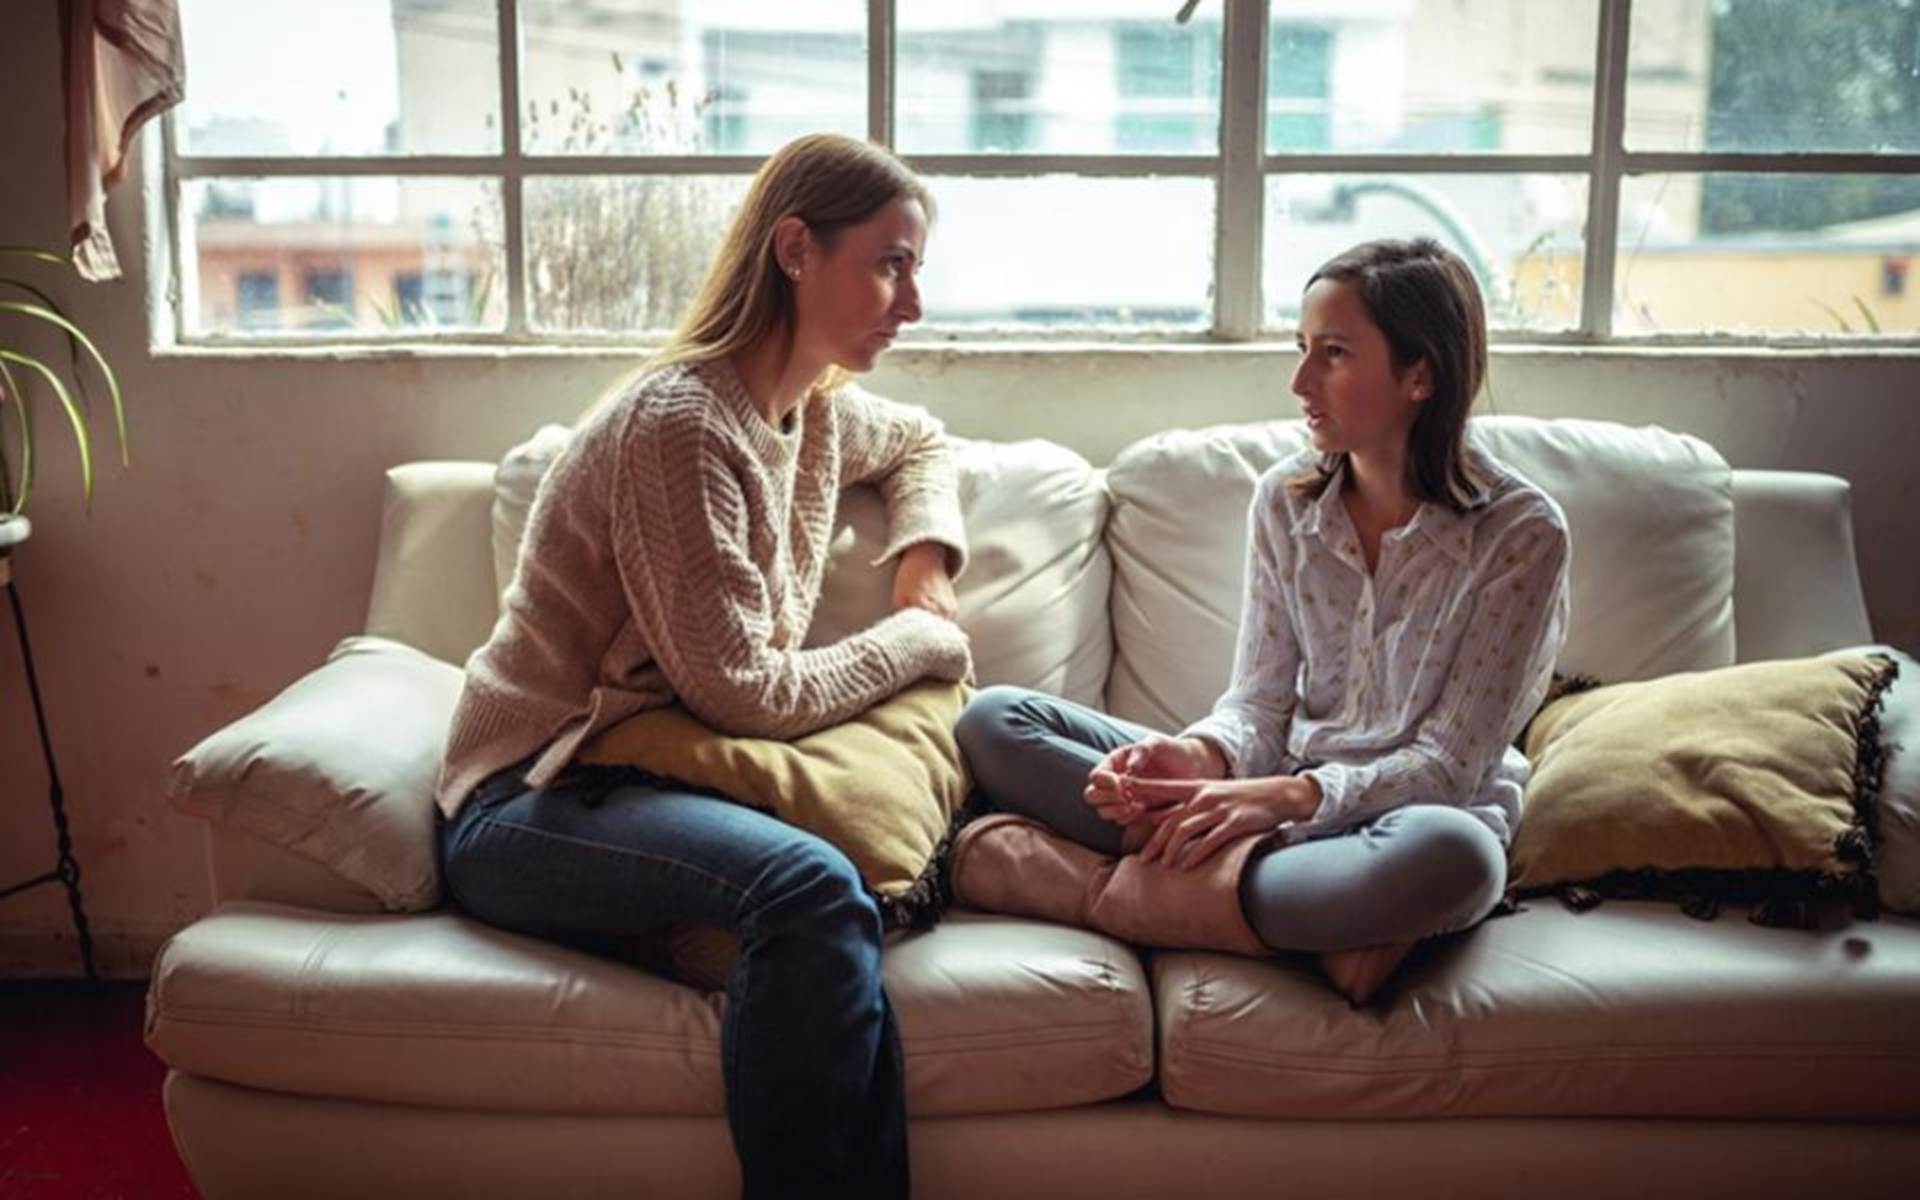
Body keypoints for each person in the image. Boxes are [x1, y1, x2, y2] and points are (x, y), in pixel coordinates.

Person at [435, 133, 971, 1200]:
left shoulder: (809, 406)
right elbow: (749, 694)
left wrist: (924, 564)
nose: (911, 301)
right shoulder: (680, 426)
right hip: (530, 794)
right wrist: (925, 642)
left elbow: (922, 442)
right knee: (812, 890)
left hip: (656, 778)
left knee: (845, 908)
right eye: (890, 263)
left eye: (916, 267)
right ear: (793, 250)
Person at [956, 237, 1571, 998]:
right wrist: (1197, 761)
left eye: (1334, 354)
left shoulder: (1521, 535)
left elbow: (1448, 766)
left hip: (1404, 819)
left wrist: (1279, 802)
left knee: (1458, 860)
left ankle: (1097, 890)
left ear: (1421, 374)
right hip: (1269, 795)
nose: (1299, 381)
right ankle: (1293, 918)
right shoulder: (1286, 500)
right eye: (1301, 348)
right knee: (994, 720)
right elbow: (1259, 700)